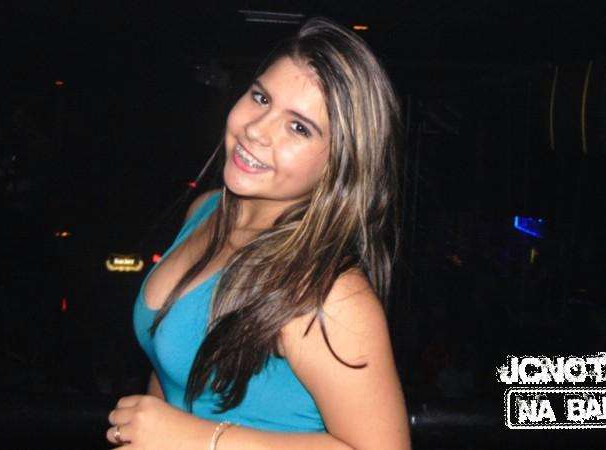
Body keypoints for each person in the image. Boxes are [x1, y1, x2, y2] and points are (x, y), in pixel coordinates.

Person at [108, 17, 411, 449]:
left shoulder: (331, 294)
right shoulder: (206, 211)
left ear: (340, 164)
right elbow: (171, 369)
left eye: (299, 127)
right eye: (261, 97)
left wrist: (199, 439)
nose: (256, 129)